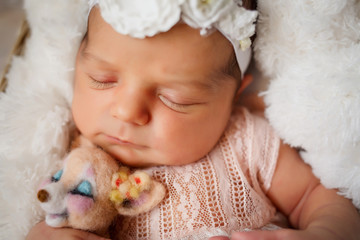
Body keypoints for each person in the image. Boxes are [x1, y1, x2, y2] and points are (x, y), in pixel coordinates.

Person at [26, 0, 360, 239]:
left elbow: (317, 197)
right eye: (102, 78)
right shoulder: (74, 163)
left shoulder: (246, 141)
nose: (126, 112)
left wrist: (326, 231)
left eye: (175, 99)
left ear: (232, 99)